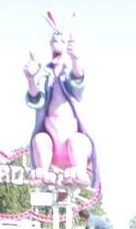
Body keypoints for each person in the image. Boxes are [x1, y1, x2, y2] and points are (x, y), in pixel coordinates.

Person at [24, 11, 98, 188]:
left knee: (78, 141)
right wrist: (31, 79)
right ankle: (43, 171)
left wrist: (75, 59)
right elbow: (37, 100)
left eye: (61, 41)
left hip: (72, 137)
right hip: (52, 140)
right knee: (40, 139)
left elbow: (78, 81)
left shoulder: (69, 72)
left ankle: (79, 171)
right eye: (54, 41)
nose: (56, 43)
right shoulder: (45, 74)